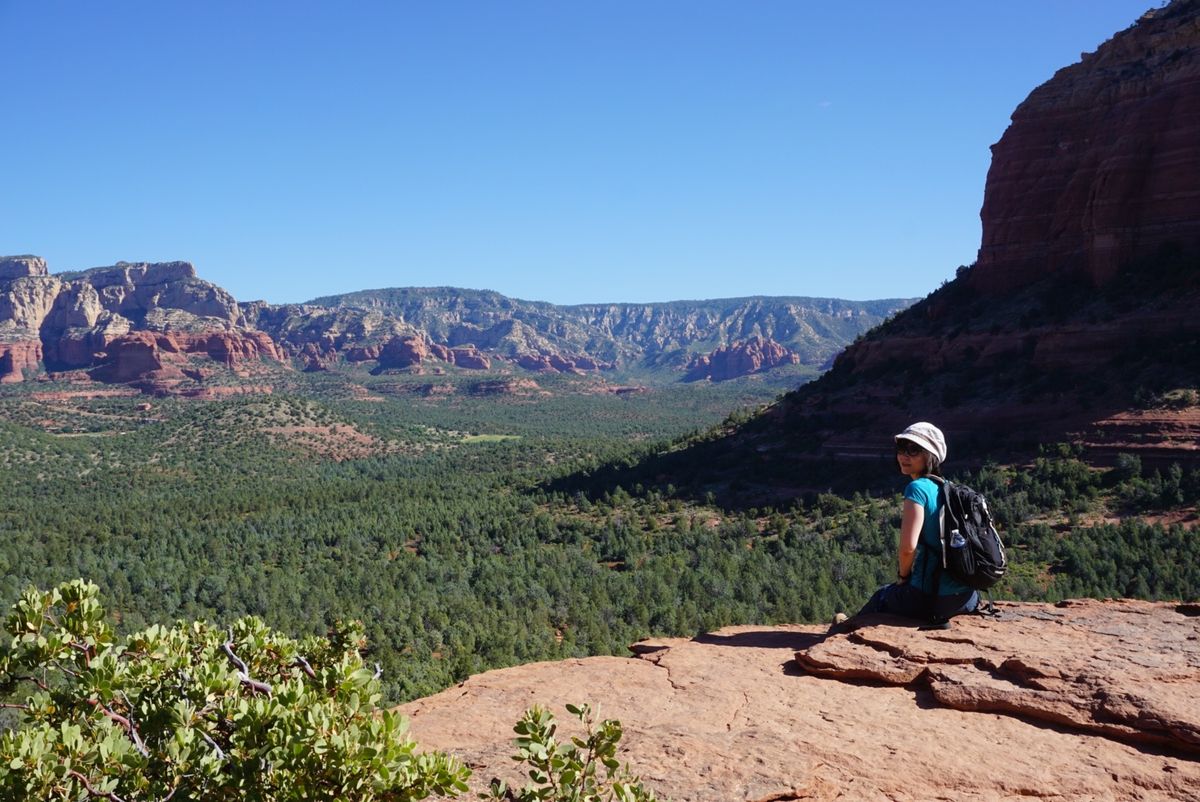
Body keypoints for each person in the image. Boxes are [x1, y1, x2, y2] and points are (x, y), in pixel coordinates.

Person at [831, 422, 978, 632]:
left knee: (883, 595)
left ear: (931, 455)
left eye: (913, 450)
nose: (904, 456)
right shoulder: (950, 489)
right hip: (967, 597)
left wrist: (903, 577)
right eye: (901, 448)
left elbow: (908, 547)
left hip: (931, 597)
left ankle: (845, 631)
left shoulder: (916, 488)